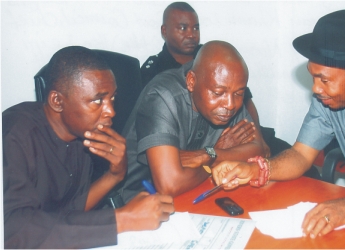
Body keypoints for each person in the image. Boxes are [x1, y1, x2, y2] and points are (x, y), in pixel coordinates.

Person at [211, 9, 345, 239]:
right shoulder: (330, 97)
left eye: (324, 80)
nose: (316, 89)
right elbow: (301, 155)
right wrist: (255, 170)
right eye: (313, 77)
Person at [2, 46, 174, 249]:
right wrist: (123, 219)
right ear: (57, 101)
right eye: (98, 100)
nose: (111, 111)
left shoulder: (82, 135)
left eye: (112, 98)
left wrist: (115, 175)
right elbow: (13, 230)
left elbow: (70, 211)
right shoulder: (13, 135)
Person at [140, 2, 297, 159]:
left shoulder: (212, 56)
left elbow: (246, 103)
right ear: (164, 30)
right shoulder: (156, 75)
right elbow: (166, 152)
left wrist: (259, 137)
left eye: (196, 28)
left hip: (235, 134)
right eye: (183, 28)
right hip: (192, 147)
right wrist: (214, 150)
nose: (191, 34)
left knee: (292, 160)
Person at [135, 40, 267, 197]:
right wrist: (212, 158)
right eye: (218, 93)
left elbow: (261, 149)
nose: (230, 105)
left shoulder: (228, 93)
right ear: (191, 81)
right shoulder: (162, 96)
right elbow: (170, 185)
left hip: (197, 191)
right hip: (139, 199)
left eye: (239, 93)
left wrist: (209, 154)